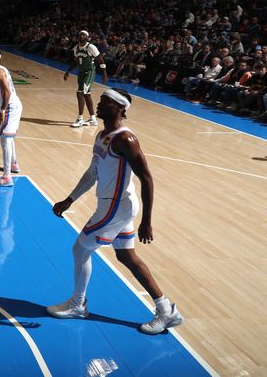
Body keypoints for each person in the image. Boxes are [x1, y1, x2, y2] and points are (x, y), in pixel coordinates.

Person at [47, 88, 184, 335]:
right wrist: (70, 200)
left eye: (105, 101)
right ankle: (167, 311)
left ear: (120, 108)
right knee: (127, 257)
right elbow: (92, 173)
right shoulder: (102, 135)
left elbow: (147, 178)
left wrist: (147, 221)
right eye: (99, 100)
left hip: (117, 206)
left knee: (80, 248)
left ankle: (78, 304)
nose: (98, 104)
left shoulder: (125, 139)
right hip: (113, 204)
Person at [0, 50, 22, 187]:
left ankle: (7, 177)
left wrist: (2, 109)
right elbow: (6, 91)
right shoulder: (1, 70)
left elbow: (7, 91)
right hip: (13, 104)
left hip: (10, 108)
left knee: (5, 139)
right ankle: (13, 165)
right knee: (9, 137)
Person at [63, 30, 108, 127]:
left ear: (87, 37)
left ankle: (80, 118)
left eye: (84, 34)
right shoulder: (76, 48)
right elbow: (76, 62)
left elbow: (100, 60)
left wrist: (104, 73)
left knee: (80, 93)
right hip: (81, 73)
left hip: (90, 73)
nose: (81, 35)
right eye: (80, 34)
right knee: (87, 95)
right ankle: (93, 119)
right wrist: (68, 71)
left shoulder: (91, 47)